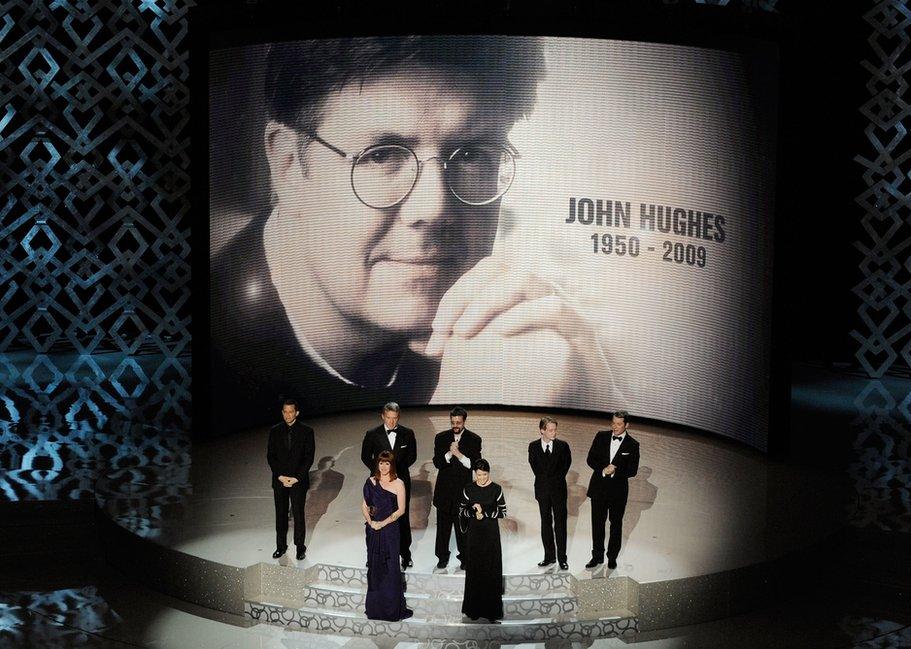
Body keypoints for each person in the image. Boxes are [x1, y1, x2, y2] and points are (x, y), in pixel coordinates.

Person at [209, 36, 620, 434]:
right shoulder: (200, 372)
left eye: (475, 155)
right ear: (288, 166)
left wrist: (599, 406)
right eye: (382, 155)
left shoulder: (519, 333)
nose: (435, 209)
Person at [361, 402, 417, 568]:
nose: (391, 422)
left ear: (398, 417)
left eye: (394, 418)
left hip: (400, 482)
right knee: (375, 514)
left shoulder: (408, 433)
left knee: (402, 518)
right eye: (388, 418)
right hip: (378, 483)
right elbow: (365, 456)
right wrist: (381, 473)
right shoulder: (372, 434)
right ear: (383, 416)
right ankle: (373, 553)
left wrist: (395, 474)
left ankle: (405, 554)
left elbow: (412, 457)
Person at [585, 410, 640, 570]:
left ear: (626, 425)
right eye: (613, 423)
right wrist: (603, 469)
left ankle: (612, 557)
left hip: (618, 492)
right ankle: (597, 556)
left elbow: (633, 470)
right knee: (597, 524)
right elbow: (590, 459)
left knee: (615, 525)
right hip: (598, 488)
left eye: (618, 424)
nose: (615, 427)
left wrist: (615, 470)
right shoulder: (600, 436)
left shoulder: (632, 444)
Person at [361, 451, 412, 621]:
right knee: (375, 568)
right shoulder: (371, 481)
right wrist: (371, 523)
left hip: (390, 531)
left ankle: (391, 610)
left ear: (392, 465)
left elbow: (401, 510)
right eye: (381, 463)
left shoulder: (399, 483)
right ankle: (376, 609)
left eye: (387, 463)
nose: (383, 467)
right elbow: (364, 505)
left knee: (390, 569)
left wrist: (382, 523)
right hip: (373, 531)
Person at [432, 406, 482, 569]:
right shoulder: (441, 438)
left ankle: (465, 557)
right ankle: (442, 557)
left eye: (458, 422)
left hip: (463, 492)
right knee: (443, 529)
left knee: (463, 528)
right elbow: (437, 463)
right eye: (453, 422)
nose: (455, 425)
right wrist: (448, 453)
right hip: (444, 492)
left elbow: (474, 465)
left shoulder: (474, 439)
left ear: (464, 421)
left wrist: (459, 455)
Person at [267, 399, 315, 560]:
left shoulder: (307, 431)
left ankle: (300, 547)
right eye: (285, 412)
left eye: (291, 411)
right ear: (282, 412)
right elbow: (271, 456)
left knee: (298, 514)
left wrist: (296, 478)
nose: (288, 415)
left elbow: (309, 458)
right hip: (280, 481)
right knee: (280, 514)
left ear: (297, 412)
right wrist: (280, 476)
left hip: (298, 481)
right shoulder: (274, 431)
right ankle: (280, 546)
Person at [459, 458, 506, 622]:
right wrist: (473, 512)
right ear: (475, 473)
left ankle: (492, 612)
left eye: (484, 475)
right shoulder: (469, 488)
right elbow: (462, 510)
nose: (482, 478)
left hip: (491, 535)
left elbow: (503, 512)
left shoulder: (496, 489)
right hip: (474, 535)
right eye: (479, 475)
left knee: (491, 570)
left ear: (488, 473)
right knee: (475, 570)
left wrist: (483, 511)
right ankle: (474, 610)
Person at [528, 416, 571, 570]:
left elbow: (566, 466)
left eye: (555, 429)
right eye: (551, 430)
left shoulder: (563, 446)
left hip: (558, 491)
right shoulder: (533, 447)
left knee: (560, 525)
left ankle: (562, 558)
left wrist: (553, 480)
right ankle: (549, 557)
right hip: (542, 491)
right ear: (542, 430)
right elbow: (536, 469)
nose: (554, 432)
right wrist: (547, 481)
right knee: (545, 524)